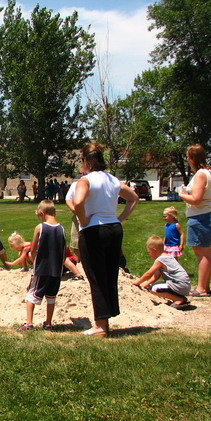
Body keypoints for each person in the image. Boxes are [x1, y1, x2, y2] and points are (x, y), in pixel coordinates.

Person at [74, 143, 138, 337]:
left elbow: (77, 202)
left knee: (95, 278)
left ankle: (100, 325)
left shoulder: (85, 181)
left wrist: (84, 221)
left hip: (94, 231)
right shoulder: (113, 179)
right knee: (110, 276)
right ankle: (106, 320)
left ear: (86, 160)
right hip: (114, 230)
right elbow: (134, 198)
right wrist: (119, 219)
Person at [17, 200, 66, 331]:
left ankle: (29, 323)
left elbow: (33, 249)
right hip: (56, 270)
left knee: (31, 294)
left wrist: (33, 261)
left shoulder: (40, 227)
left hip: (42, 269)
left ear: (41, 213)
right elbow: (63, 251)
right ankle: (48, 323)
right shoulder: (62, 229)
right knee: (51, 297)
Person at [178, 144, 211, 297]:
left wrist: (182, 194)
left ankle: (201, 288)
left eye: (188, 157)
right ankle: (205, 286)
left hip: (201, 216)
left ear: (192, 158)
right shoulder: (208, 172)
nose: (187, 159)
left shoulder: (201, 174)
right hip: (206, 214)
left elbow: (196, 199)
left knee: (202, 252)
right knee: (206, 252)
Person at [132, 236, 191, 309]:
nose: (149, 255)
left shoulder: (161, 259)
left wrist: (137, 282)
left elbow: (148, 274)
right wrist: (145, 284)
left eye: (149, 252)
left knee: (153, 288)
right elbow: (156, 276)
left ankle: (178, 299)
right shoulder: (168, 256)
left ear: (155, 250)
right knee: (152, 286)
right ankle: (181, 298)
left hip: (179, 284)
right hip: (184, 285)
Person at [64, 180, 81, 260]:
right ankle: (77, 266)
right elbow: (68, 199)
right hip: (78, 216)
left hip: (94, 217)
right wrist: (76, 211)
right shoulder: (76, 184)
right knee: (77, 243)